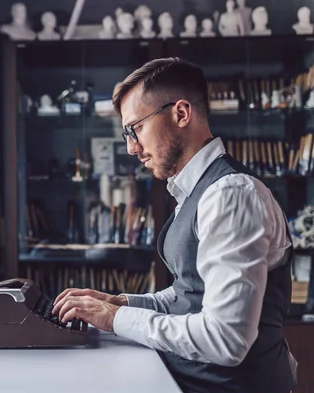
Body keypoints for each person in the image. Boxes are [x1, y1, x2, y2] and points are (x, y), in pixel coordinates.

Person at [52, 57, 298, 393]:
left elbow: (226, 340)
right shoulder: (199, 190)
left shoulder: (230, 195)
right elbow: (189, 294)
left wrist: (113, 319)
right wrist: (121, 302)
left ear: (181, 113)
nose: (131, 148)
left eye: (135, 129)